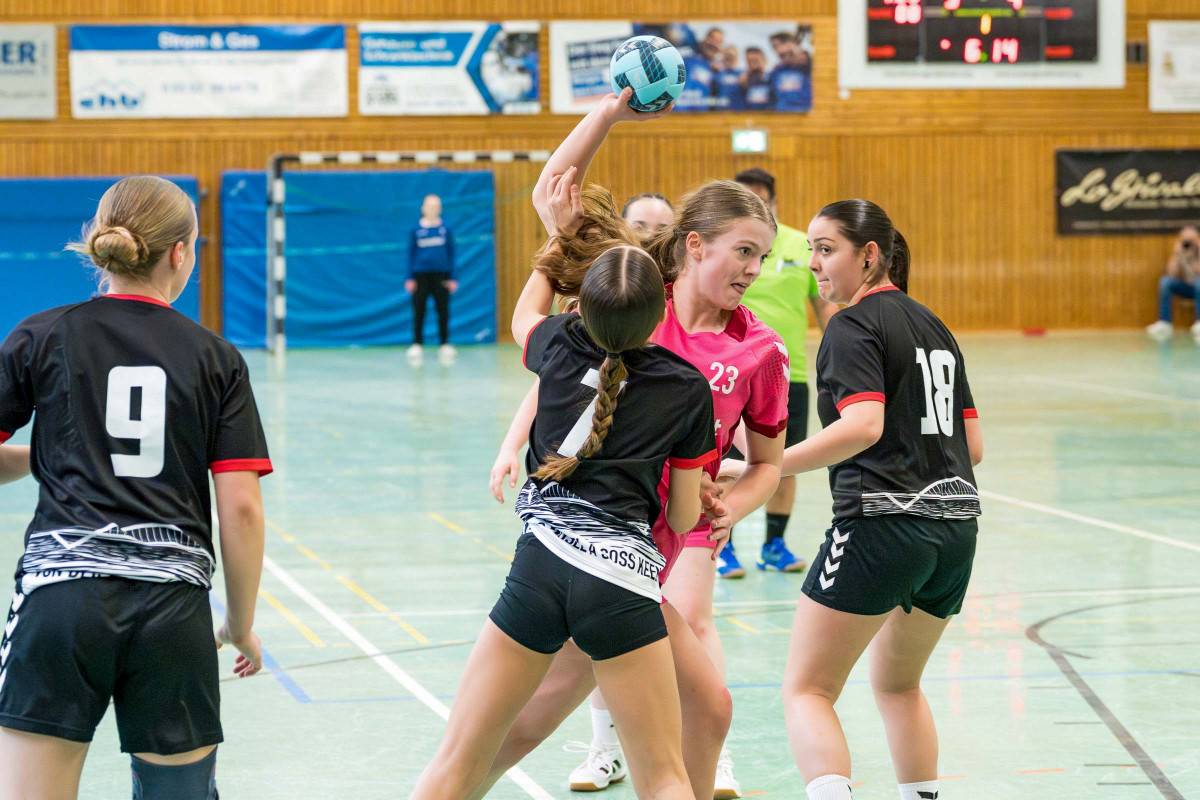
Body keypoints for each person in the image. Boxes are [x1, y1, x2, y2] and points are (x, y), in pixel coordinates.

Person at [484, 88, 787, 800]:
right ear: (695, 245)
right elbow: (554, 189)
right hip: (597, 542)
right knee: (529, 722)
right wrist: (607, 115)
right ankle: (466, 777)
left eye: (763, 257)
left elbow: (767, 466)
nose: (754, 270)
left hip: (665, 543)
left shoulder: (761, 351)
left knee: (706, 708)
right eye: (744, 251)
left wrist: (732, 508)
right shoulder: (634, 295)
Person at [410, 173, 720, 800]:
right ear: (661, 311)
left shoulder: (554, 342)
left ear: (583, 305)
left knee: (457, 762)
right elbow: (685, 519)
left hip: (539, 572)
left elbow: (525, 312)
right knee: (664, 775)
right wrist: (701, 493)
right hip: (622, 583)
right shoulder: (688, 386)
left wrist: (561, 235)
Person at [0, 176, 271, 800]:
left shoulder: (42, 335)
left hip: (60, 601)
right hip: (172, 611)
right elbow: (241, 507)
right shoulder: (215, 358)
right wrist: (240, 623)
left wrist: (48, 457)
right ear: (180, 252)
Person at [720, 199, 983, 800]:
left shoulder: (852, 325)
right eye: (810, 249)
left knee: (807, 690)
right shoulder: (933, 324)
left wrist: (765, 465)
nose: (813, 262)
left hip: (880, 526)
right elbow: (972, 446)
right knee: (898, 686)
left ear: (868, 255)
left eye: (825, 249)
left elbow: (863, 425)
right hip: (956, 532)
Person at [716, 168, 837, 578]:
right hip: (729, 373)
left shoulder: (802, 247)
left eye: (761, 200)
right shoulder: (723, 248)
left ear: (774, 202)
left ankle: (774, 545)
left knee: (782, 462)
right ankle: (723, 543)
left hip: (789, 375)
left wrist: (841, 354)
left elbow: (825, 309)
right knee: (725, 461)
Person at [404, 193, 459, 366]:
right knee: (419, 310)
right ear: (423, 208)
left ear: (440, 209)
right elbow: (410, 254)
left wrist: (453, 277)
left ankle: (444, 344)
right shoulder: (416, 230)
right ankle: (417, 344)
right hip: (420, 276)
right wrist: (409, 277)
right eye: (430, 206)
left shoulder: (445, 229)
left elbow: (451, 253)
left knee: (443, 310)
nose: (432, 209)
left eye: (436, 206)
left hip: (441, 275)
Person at [1146, 224, 1200, 341]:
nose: (1188, 243)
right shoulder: (1181, 253)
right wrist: (1176, 255)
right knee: (1166, 281)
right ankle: (1165, 323)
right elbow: (1171, 273)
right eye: (1186, 240)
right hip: (1187, 288)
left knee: (1199, 282)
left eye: (1191, 240)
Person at [769, 31, 813, 112]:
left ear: (796, 44)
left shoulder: (813, 64)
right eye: (774, 47)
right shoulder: (777, 71)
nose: (779, 50)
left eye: (783, 44)